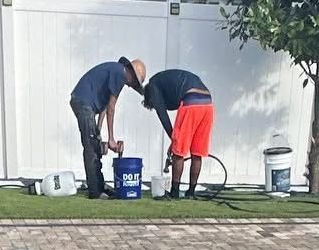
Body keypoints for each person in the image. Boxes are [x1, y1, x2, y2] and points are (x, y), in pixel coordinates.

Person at [69, 57, 146, 200]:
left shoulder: (116, 72)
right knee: (91, 147)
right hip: (82, 101)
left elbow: (104, 105)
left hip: (85, 103)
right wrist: (111, 139)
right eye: (134, 82)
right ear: (131, 73)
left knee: (94, 142)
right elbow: (111, 108)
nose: (131, 86)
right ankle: (95, 191)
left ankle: (99, 185)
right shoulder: (120, 74)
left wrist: (99, 130)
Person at [142, 68, 214, 199]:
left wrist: (174, 141)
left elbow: (163, 116)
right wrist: (174, 139)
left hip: (191, 100)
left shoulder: (153, 86)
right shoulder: (164, 82)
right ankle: (191, 193)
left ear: (149, 96)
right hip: (207, 102)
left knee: (179, 152)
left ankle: (174, 192)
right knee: (197, 153)